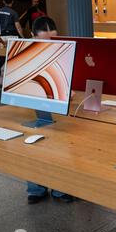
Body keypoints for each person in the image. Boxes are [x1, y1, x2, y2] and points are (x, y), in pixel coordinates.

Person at [26, 16, 75, 205]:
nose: (50, 45)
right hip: (34, 103)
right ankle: (36, 188)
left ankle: (60, 188)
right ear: (32, 36)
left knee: (61, 143)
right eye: (44, 41)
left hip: (58, 103)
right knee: (33, 142)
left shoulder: (63, 51)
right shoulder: (25, 53)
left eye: (53, 40)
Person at [0, 0, 25, 76]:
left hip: (1, 36)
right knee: (14, 53)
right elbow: (18, 26)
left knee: (3, 54)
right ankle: (13, 72)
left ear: (3, 1)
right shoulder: (13, 12)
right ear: (12, 2)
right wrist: (22, 37)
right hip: (11, 35)